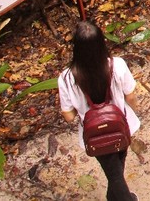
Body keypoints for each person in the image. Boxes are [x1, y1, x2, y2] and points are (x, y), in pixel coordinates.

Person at [58, 21, 141, 201]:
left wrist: (79, 108)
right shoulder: (117, 65)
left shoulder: (66, 77)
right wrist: (134, 111)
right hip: (121, 124)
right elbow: (130, 96)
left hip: (93, 132)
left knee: (113, 170)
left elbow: (68, 116)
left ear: (76, 48)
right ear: (101, 43)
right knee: (116, 170)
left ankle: (113, 197)